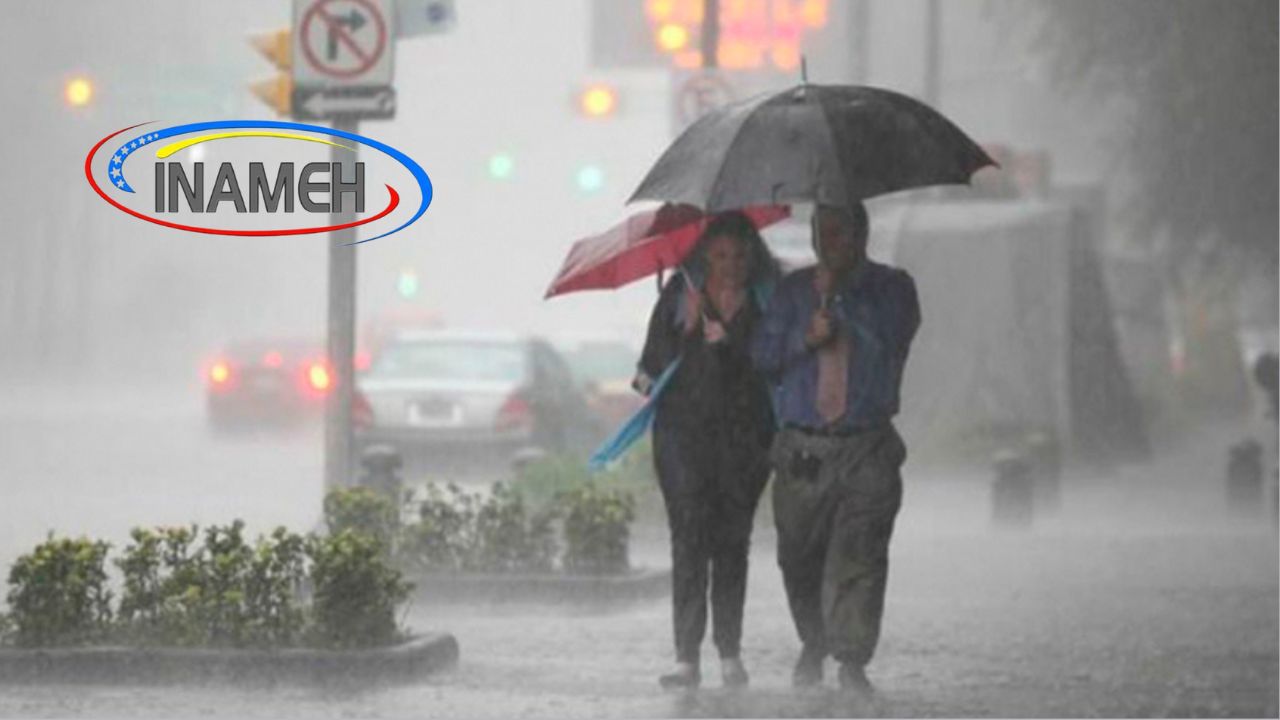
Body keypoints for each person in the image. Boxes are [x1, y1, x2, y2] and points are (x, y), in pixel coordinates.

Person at [751, 203, 920, 696]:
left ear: (861, 235)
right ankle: (814, 639)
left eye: (840, 233)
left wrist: (842, 306)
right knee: (798, 555)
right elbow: (763, 356)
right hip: (803, 448)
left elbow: (893, 341)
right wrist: (806, 337)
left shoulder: (892, 288)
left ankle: (851, 657)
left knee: (860, 556)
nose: (830, 243)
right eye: (822, 233)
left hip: (866, 445)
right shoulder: (791, 292)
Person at [635, 211, 779, 690]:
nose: (730, 265)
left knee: (732, 543)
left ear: (753, 257)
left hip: (744, 442)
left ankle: (729, 652)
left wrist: (733, 342)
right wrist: (685, 329)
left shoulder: (768, 301)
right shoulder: (680, 296)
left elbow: (779, 364)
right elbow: (646, 375)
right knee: (689, 540)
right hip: (683, 439)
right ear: (705, 257)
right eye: (720, 256)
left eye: (739, 256)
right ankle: (686, 657)